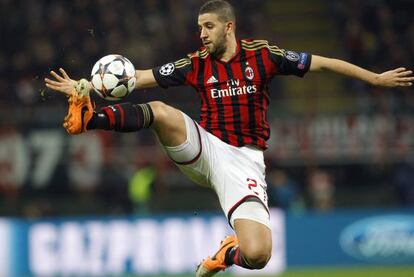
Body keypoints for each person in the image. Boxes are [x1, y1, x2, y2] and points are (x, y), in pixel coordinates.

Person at [44, 1, 414, 276]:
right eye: (199, 27)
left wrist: (375, 79)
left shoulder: (263, 55)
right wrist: (83, 86)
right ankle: (91, 119)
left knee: (259, 255)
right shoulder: (195, 62)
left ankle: (225, 255)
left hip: (243, 163)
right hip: (204, 147)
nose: (201, 34)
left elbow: (323, 62)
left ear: (229, 27)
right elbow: (137, 77)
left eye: (208, 26)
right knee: (160, 110)